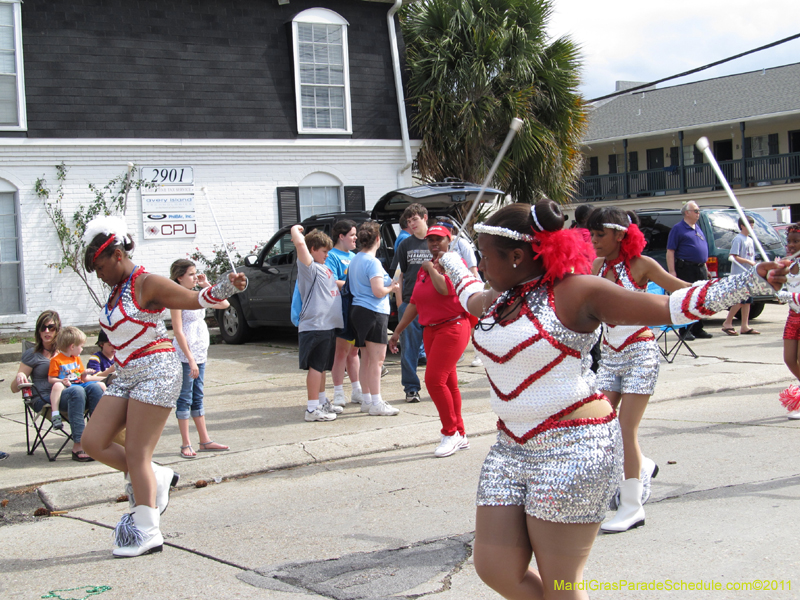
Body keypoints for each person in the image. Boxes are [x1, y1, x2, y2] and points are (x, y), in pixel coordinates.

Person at [437, 200, 785, 599]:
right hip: (510, 449)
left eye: (483, 255)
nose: (479, 265)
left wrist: (751, 281)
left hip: (574, 448)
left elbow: (671, 306)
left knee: (561, 584)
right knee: (495, 569)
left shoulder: (576, 291)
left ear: (517, 256)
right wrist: (448, 259)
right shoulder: (497, 300)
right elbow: (466, 290)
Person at [80, 216, 246, 558]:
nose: (97, 274)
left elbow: (194, 299)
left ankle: (148, 530)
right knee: (92, 441)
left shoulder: (148, 283)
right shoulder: (115, 290)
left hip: (157, 370)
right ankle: (156, 475)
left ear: (115, 255)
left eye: (98, 266)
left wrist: (228, 287)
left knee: (138, 454)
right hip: (125, 374)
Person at [587, 207, 688, 533]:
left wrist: (723, 290)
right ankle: (642, 464)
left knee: (624, 428)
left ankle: (632, 507)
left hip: (640, 354)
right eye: (591, 234)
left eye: (599, 234)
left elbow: (682, 289)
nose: (594, 240)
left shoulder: (642, 265)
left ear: (620, 234)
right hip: (610, 357)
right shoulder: (597, 267)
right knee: (598, 425)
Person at [389, 225, 472, 457]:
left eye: (439, 239)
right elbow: (414, 304)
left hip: (453, 326)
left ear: (449, 240)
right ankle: (460, 433)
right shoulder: (425, 270)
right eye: (430, 240)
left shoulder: (454, 264)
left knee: (434, 380)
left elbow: (444, 289)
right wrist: (397, 331)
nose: (434, 244)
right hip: (431, 329)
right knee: (449, 383)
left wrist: (430, 267)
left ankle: (450, 433)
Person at [11, 311, 102, 462]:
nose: (46, 331)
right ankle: (78, 445)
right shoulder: (32, 355)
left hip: (72, 392)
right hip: (45, 398)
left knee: (95, 388)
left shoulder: (68, 352)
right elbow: (14, 388)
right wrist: (19, 378)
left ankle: (97, 440)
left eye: (51, 327)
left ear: (58, 329)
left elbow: (80, 376)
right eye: (42, 327)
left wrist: (103, 377)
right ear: (38, 330)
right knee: (77, 391)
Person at [170, 259, 231, 457]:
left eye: (196, 273)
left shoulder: (198, 295)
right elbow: (178, 332)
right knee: (185, 397)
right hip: (186, 354)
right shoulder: (176, 297)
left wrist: (207, 286)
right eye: (190, 274)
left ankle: (205, 440)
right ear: (179, 277)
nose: (195, 277)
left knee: (198, 396)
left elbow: (224, 303)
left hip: (200, 350)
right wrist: (190, 360)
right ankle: (185, 443)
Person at [291, 224, 344, 422]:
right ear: (312, 250)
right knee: (315, 366)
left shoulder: (324, 269)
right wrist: (296, 232)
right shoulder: (309, 268)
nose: (327, 255)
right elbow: (300, 244)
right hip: (314, 327)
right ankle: (312, 409)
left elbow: (338, 285)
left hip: (327, 327)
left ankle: (321, 401)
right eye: (324, 251)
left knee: (321, 367)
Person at [349, 221, 401, 416]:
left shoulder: (356, 259)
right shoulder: (372, 262)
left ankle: (368, 400)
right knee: (377, 361)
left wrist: (390, 283)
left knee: (366, 359)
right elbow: (379, 291)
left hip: (359, 311)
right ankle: (377, 403)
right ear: (378, 239)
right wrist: (393, 289)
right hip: (373, 312)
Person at [390, 203, 432, 403]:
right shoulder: (405, 245)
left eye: (414, 219)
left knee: (435, 349)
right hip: (409, 303)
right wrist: (400, 304)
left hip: (434, 304)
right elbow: (399, 276)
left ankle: (439, 385)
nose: (412, 224)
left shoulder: (437, 241)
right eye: (408, 221)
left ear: (425, 217)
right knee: (409, 349)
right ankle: (411, 388)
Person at [325, 220, 363, 407]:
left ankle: (357, 390)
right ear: (341, 236)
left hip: (355, 309)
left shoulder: (355, 256)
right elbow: (330, 280)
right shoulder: (331, 256)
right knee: (341, 352)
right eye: (352, 235)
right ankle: (338, 392)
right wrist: (353, 285)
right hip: (341, 309)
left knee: (354, 352)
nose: (356, 238)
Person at [666, 201, 712, 339]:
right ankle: (685, 330)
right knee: (687, 298)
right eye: (696, 211)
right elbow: (670, 251)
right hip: (686, 267)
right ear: (687, 212)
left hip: (700, 268)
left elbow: (701, 250)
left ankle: (698, 328)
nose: (699, 213)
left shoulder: (697, 227)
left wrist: (706, 267)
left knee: (700, 299)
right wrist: (672, 271)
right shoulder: (678, 228)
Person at [47, 326, 107, 433]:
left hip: (78, 384)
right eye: (81, 346)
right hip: (67, 388)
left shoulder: (76, 358)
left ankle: (102, 420)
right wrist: (61, 381)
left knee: (99, 385)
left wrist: (86, 372)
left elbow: (81, 377)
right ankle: (55, 414)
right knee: (57, 386)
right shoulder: (56, 360)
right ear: (72, 346)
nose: (82, 349)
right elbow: (51, 379)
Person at [721, 216, 759, 336]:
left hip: (748, 274)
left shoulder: (750, 240)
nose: (751, 227)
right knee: (739, 300)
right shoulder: (738, 239)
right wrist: (748, 262)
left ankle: (745, 326)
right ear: (742, 226)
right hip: (739, 274)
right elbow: (733, 256)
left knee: (748, 301)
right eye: (749, 225)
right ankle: (727, 322)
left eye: (752, 225)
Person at [777, 224, 800, 420]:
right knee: (789, 359)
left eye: (795, 241)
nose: (790, 245)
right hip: (793, 316)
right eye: (789, 241)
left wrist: (788, 295)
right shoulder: (787, 265)